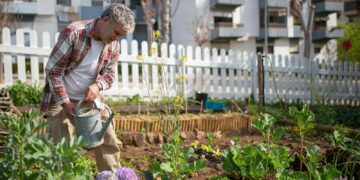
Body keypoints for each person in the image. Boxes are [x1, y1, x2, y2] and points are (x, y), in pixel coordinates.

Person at [40, 3, 135, 172]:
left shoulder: (113, 44)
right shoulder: (75, 33)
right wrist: (65, 103)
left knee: (108, 138)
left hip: (89, 99)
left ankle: (111, 176)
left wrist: (98, 86)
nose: (118, 39)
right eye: (117, 33)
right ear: (105, 20)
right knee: (60, 145)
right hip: (61, 98)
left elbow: (109, 75)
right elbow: (53, 70)